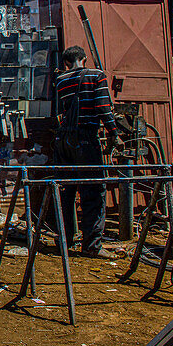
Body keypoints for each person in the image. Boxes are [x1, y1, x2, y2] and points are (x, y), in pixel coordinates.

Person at [54, 46, 120, 259]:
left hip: (64, 140)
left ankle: (65, 239)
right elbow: (103, 107)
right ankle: (92, 245)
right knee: (93, 192)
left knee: (67, 191)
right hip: (85, 139)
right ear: (84, 59)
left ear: (66, 63)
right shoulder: (96, 75)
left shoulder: (62, 80)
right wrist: (113, 133)